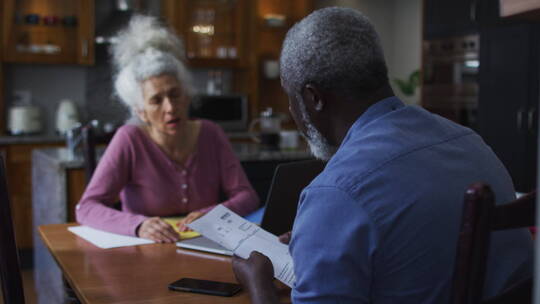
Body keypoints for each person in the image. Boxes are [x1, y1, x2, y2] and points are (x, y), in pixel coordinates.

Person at [232, 7, 533, 304]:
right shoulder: (468, 140)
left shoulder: (336, 192)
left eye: (290, 97)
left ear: (313, 98)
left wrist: (259, 285)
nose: (291, 111)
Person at [76, 15, 259, 243]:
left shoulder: (211, 133)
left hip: (204, 247)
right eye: (156, 100)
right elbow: (87, 208)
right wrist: (139, 225)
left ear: (187, 95)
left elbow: (247, 197)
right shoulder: (130, 139)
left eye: (175, 94)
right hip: (145, 252)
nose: (170, 107)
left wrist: (213, 215)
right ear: (140, 111)